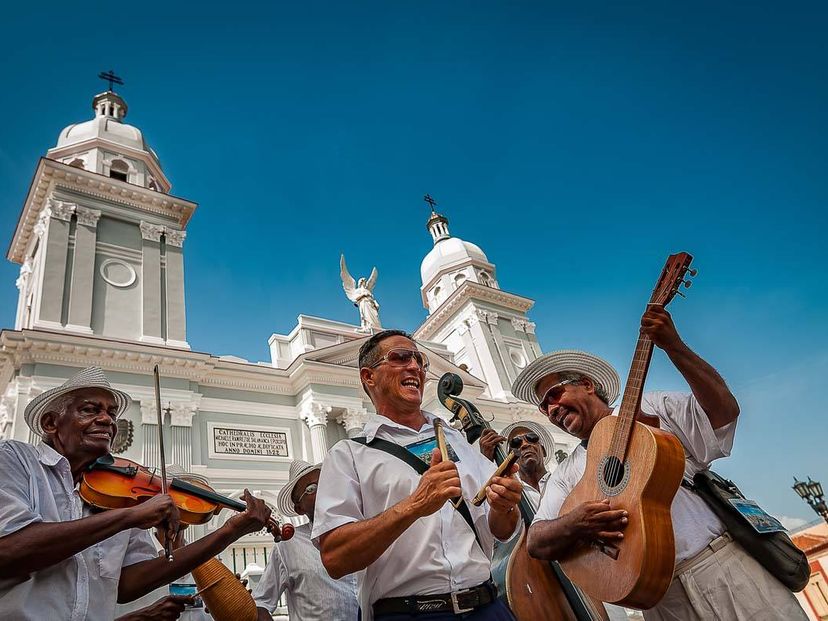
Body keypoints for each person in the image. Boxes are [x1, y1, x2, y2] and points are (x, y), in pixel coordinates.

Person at [518, 306, 807, 620]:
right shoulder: (566, 473)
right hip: (658, 600)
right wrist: (576, 522)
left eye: (555, 395)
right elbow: (536, 541)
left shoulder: (651, 409)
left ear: (587, 385)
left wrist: (675, 346)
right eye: (544, 407)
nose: (551, 410)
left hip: (723, 570)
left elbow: (723, 413)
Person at [0, 366, 274, 621]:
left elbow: (128, 585)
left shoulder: (117, 494)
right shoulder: (14, 460)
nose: (106, 419)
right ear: (51, 423)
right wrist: (128, 517)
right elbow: (10, 551)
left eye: (111, 413)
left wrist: (227, 533)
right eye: (90, 409)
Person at [312, 330, 523, 621]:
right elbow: (335, 558)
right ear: (368, 377)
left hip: (488, 608)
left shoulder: (460, 442)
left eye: (419, 360)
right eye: (399, 358)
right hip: (408, 614)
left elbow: (501, 529)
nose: (414, 367)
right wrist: (414, 505)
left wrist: (504, 505)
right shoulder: (348, 455)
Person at [252, 459, 359, 620]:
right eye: (311, 489)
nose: (323, 489)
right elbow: (261, 604)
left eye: (325, 482)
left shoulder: (359, 531)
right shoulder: (289, 545)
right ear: (299, 508)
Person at [479, 420, 556, 507]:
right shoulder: (507, 491)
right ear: (511, 459)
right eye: (516, 443)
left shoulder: (562, 478)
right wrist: (485, 461)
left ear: (543, 450)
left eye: (531, 438)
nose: (525, 444)